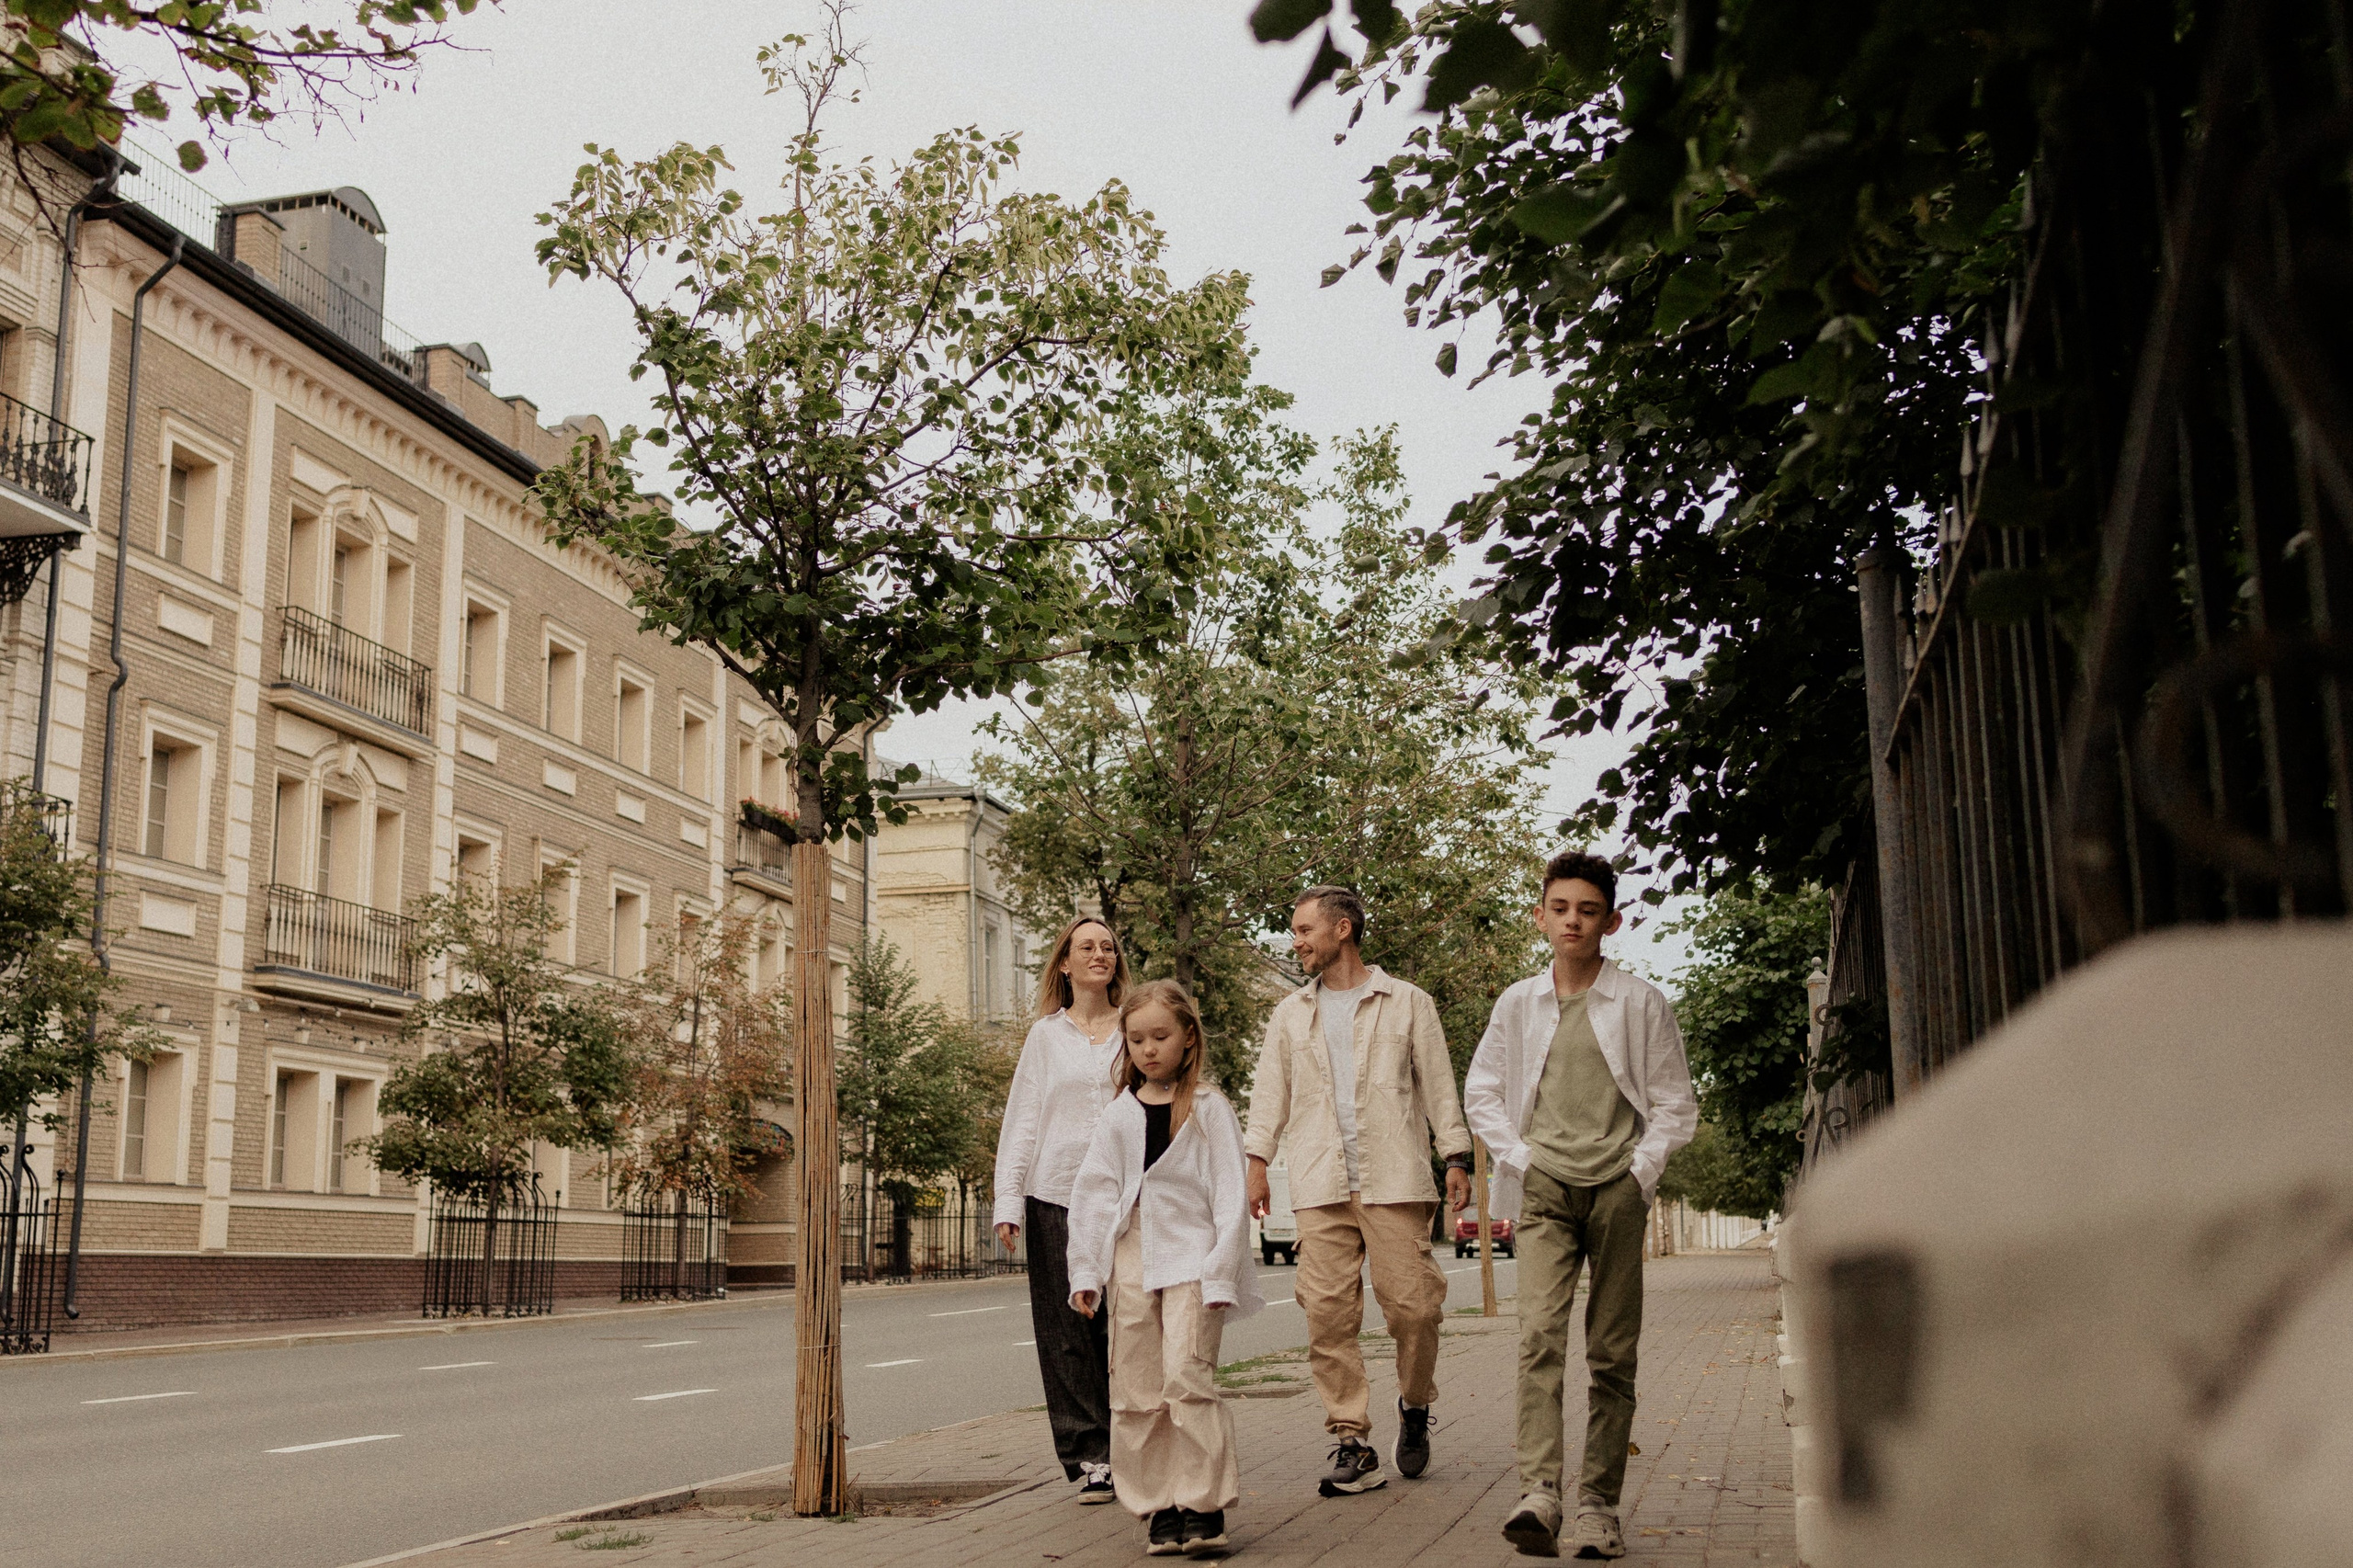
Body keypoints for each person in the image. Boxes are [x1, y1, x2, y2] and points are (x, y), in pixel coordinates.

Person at [1464, 851, 1698, 1560]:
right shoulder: (1518, 1003)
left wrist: (1640, 1169)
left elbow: (1674, 1103)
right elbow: (1482, 1090)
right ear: (1541, 917)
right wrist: (1524, 1158)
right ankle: (1541, 1494)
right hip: (1544, 1191)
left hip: (1617, 1191)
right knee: (1539, 1336)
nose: (1573, 920)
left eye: (1587, 910)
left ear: (1610, 921)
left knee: (1611, 1351)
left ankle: (1599, 1505)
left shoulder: (1640, 1003)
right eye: (1560, 908)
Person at [1243, 886, 1474, 1497]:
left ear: (1342, 929)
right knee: (1326, 1314)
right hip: (1320, 1181)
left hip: (1394, 1175)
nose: (1296, 942)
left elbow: (1438, 1085)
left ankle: (1416, 1406)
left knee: (1415, 1308)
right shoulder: (1291, 1012)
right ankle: (1351, 1437)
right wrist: (1257, 1161)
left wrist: (1456, 1154)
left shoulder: (1407, 1003)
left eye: (1303, 930)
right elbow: (1270, 1094)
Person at [1066, 979, 1261, 1558]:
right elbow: (1095, 1195)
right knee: (1135, 1389)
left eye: (1160, 1036)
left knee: (1187, 1377)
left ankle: (1202, 1506)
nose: (1149, 1049)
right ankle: (1158, 1506)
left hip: (1193, 1259)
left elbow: (1229, 1192)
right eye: (1136, 1040)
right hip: (1131, 1260)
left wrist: (1222, 1272)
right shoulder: (1119, 1116)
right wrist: (1085, 1272)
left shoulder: (1209, 1108)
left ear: (1187, 1037)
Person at [993, 915, 1131, 1503]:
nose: (1099, 954)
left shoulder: (1138, 1026)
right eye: (1086, 947)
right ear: (1066, 965)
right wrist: (1008, 1201)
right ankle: (1090, 1457)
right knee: (1068, 1333)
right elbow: (1022, 1120)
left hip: (1127, 1197)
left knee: (1129, 1325)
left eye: (1108, 946)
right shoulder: (1046, 1037)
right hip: (1057, 1196)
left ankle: (1135, 1446)